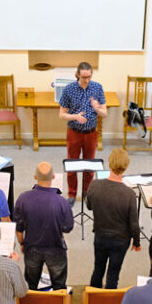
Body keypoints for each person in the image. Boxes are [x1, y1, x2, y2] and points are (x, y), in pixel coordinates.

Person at [13, 162, 74, 290]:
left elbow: (19, 227)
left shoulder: (23, 199)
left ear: (35, 177)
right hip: (56, 248)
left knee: (31, 283)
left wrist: (22, 243)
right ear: (53, 177)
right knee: (59, 284)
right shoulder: (62, 202)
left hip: (31, 247)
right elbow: (68, 227)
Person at [86, 147, 140, 289]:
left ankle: (93, 300)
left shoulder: (95, 185)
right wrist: (137, 241)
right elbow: (134, 223)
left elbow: (89, 206)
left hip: (100, 235)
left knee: (98, 269)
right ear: (126, 167)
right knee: (113, 274)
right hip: (121, 240)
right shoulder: (129, 194)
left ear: (109, 164)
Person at [59, 62, 107, 204]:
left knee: (90, 165)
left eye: (89, 76)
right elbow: (61, 115)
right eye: (84, 77)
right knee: (72, 164)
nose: (86, 80)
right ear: (78, 74)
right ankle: (72, 194)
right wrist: (75, 117)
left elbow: (104, 113)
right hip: (74, 132)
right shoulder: (69, 89)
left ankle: (87, 192)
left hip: (91, 133)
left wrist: (97, 108)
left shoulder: (97, 88)